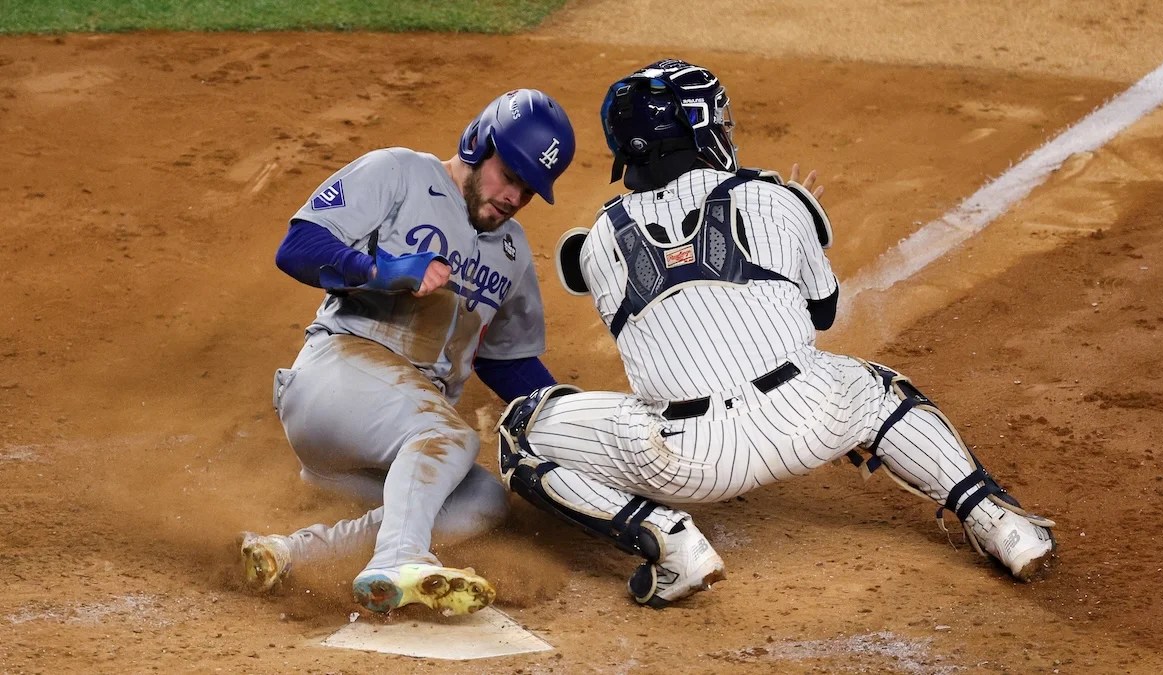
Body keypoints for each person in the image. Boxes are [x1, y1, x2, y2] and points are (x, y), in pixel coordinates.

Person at [496, 59, 1056, 608]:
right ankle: (1001, 524)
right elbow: (823, 312)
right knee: (880, 392)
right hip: (813, 416)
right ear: (696, 129)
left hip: (685, 460)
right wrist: (792, 209)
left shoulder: (595, 243)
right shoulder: (773, 197)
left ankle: (668, 540)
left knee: (522, 432)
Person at [237, 89, 576, 617]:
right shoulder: (398, 173)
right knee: (449, 434)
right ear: (478, 142)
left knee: (482, 501)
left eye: (528, 190)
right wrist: (381, 270)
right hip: (336, 377)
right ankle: (399, 559)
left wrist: (571, 419)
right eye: (509, 175)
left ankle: (294, 551)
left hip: (388, 446)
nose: (514, 196)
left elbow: (505, 361)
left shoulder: (513, 253)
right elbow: (297, 247)